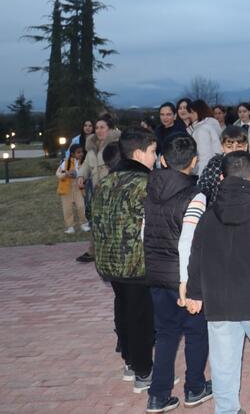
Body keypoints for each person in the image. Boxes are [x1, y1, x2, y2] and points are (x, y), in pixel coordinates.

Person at [185, 152, 250, 414]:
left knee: (223, 361)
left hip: (219, 298)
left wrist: (194, 292)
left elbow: (197, 253)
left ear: (221, 178)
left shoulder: (209, 213)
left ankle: (227, 409)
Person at [143, 134, 212, 412]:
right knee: (196, 332)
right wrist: (186, 283)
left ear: (162, 159)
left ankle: (158, 395)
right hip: (184, 278)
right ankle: (194, 387)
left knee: (165, 334)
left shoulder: (150, 189)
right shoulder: (195, 195)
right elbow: (188, 241)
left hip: (156, 274)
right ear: (195, 162)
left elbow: (144, 232)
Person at [91, 126, 157, 392]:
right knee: (141, 315)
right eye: (153, 151)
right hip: (135, 263)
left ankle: (130, 362)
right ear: (139, 153)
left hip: (109, 262)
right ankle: (144, 372)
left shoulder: (106, 181)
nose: (155, 157)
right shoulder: (144, 183)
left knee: (124, 309)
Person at [76, 114, 121, 263]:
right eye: (97, 128)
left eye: (102, 127)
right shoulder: (92, 148)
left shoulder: (115, 146)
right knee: (96, 221)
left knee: (110, 222)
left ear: (110, 129)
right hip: (96, 191)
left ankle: (112, 252)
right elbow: (86, 166)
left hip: (112, 190)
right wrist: (81, 176)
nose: (99, 130)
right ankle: (92, 251)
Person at [57, 143, 88, 234]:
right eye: (78, 152)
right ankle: (70, 226)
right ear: (72, 154)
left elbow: (85, 174)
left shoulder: (83, 163)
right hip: (66, 189)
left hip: (78, 188)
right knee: (67, 209)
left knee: (81, 206)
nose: (81, 154)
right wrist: (65, 174)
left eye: (82, 152)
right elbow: (58, 174)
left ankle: (84, 224)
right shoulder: (65, 163)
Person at [187, 100, 223, 175]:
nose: (189, 115)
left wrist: (202, 176)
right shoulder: (210, 125)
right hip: (214, 169)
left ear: (200, 112)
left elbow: (204, 156)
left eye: (192, 112)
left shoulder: (202, 130)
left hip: (204, 172)